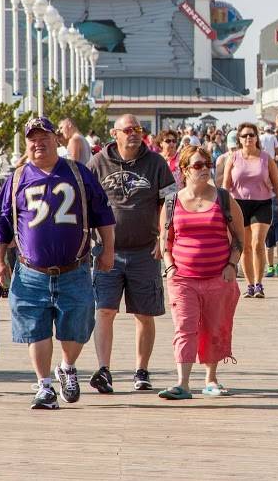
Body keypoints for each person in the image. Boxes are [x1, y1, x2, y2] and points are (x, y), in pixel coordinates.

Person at [0, 117, 116, 410]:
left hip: (75, 269)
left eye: (44, 136)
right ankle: (44, 385)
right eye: (32, 139)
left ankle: (67, 366)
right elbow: (0, 225)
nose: (38, 143)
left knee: (77, 326)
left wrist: (109, 249)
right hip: (31, 271)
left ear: (56, 139)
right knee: (37, 329)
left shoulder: (78, 173)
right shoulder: (18, 179)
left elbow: (103, 215)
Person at [87, 114, 177, 394]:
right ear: (115, 134)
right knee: (104, 311)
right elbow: (85, 203)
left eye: (138, 129)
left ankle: (142, 370)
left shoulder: (156, 163)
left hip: (144, 251)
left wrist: (164, 236)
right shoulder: (97, 164)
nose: (134, 134)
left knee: (144, 314)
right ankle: (104, 370)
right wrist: (91, 239)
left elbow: (170, 200)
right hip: (107, 251)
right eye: (128, 130)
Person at [158, 146, 244, 400]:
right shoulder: (172, 202)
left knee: (214, 328)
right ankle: (183, 383)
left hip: (218, 277)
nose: (204, 169)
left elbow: (240, 238)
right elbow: (166, 239)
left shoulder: (224, 199)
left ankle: (211, 378)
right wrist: (170, 266)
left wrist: (231, 265)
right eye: (197, 165)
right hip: (183, 278)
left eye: (207, 163)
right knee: (184, 328)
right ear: (184, 170)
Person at [222, 122, 278, 298]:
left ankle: (259, 284)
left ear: (257, 138)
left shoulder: (266, 158)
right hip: (239, 205)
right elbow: (225, 185)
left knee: (258, 244)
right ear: (239, 139)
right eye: (245, 136)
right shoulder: (233, 158)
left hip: (262, 204)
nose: (248, 138)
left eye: (251, 135)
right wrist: (222, 207)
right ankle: (250, 285)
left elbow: (277, 185)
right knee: (244, 247)